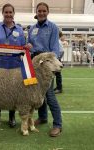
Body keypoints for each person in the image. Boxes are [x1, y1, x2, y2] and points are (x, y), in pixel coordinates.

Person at [26, 2, 62, 137]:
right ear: (36, 12)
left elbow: (55, 50)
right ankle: (43, 117)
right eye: (39, 11)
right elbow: (30, 46)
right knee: (38, 94)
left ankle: (58, 124)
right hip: (35, 64)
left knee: (50, 95)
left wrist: (50, 63)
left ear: (47, 12)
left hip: (46, 64)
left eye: (43, 11)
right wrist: (28, 48)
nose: (41, 13)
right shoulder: (32, 29)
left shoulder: (53, 27)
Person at [0, 3, 26, 127]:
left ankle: (11, 117)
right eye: (6, 12)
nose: (8, 14)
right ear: (2, 13)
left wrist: (27, 47)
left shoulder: (19, 29)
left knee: (13, 92)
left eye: (10, 12)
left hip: (14, 66)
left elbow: (23, 47)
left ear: (14, 13)